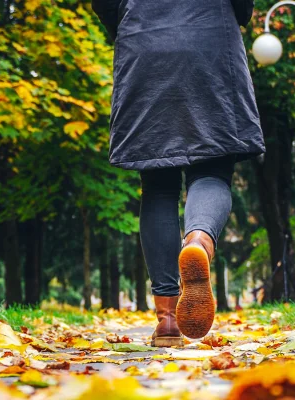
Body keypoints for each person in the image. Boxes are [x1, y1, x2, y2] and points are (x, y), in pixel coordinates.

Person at [92, 0, 265, 346]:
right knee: (212, 169)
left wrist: (131, 21)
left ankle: (168, 320)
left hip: (144, 46)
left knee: (157, 185)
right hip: (211, 46)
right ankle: (199, 241)